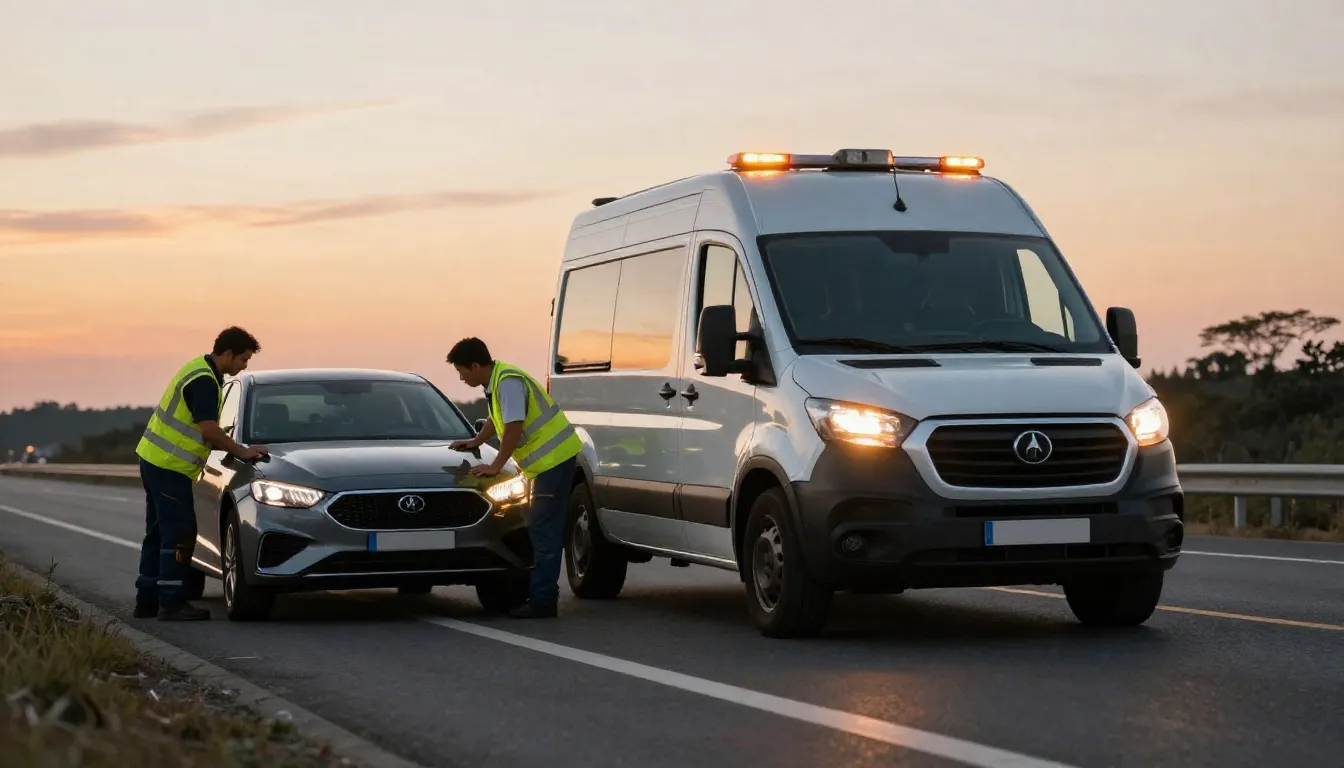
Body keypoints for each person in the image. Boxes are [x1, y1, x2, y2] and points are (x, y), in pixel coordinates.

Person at [133, 327, 268, 621]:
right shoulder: (205, 381)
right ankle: (171, 602)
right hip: (169, 466)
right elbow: (209, 431)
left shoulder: (197, 368)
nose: (245, 366)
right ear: (228, 353)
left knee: (157, 532)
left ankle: (146, 601)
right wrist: (242, 451)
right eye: (243, 359)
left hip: (154, 460)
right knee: (179, 534)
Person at [447, 337, 582, 618]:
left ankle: (543, 600)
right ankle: (542, 595)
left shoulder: (507, 382)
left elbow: (512, 427)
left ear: (475, 366)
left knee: (542, 528)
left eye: (461, 371)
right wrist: (476, 440)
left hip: (553, 461)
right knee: (542, 527)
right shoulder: (497, 382)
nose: (460, 378)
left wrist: (496, 465)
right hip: (547, 464)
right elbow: (496, 421)